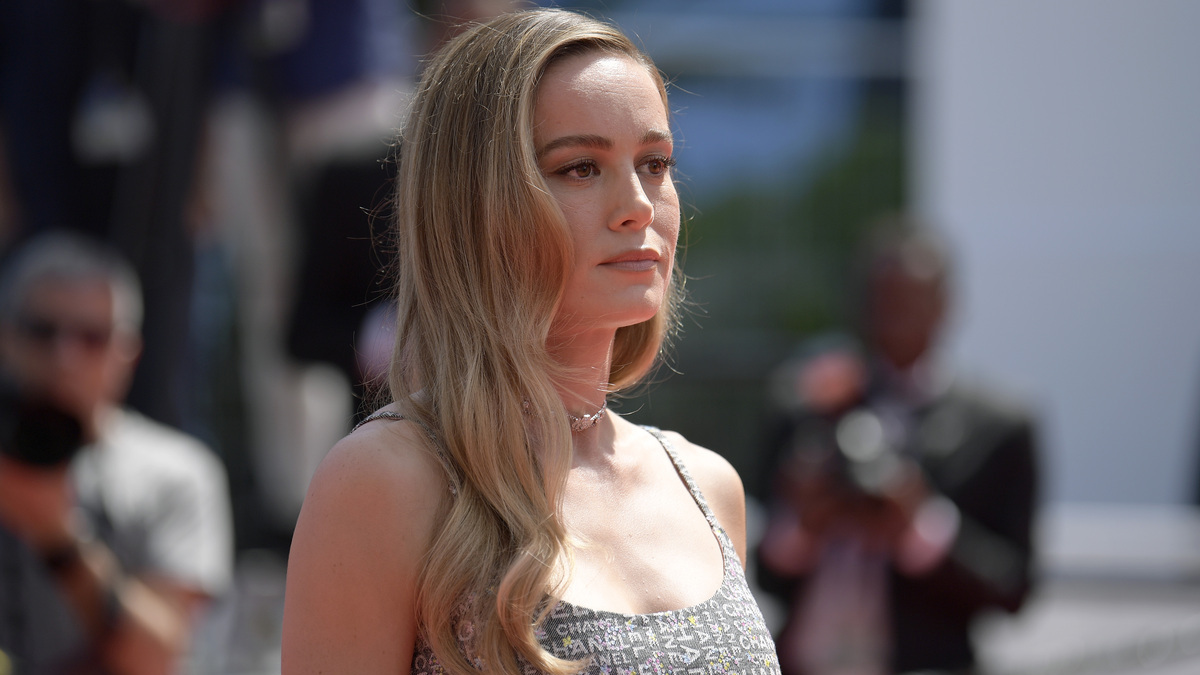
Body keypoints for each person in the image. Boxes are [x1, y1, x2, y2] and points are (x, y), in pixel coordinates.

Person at [281, 9, 781, 675]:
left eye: (656, 162)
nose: (637, 203)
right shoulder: (386, 480)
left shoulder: (708, 485)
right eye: (580, 167)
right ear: (478, 203)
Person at [756, 220, 1039, 675]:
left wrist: (918, 522)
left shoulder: (999, 425)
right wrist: (804, 523)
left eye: (908, 300)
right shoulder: (809, 408)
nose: (891, 316)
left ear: (944, 304)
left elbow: (1014, 589)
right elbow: (764, 574)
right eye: (881, 300)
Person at [0, 232, 233, 674]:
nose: (64, 356)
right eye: (42, 331)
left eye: (91, 337)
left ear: (128, 353)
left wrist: (57, 536)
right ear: (5, 337)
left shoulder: (178, 472)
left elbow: (157, 656)